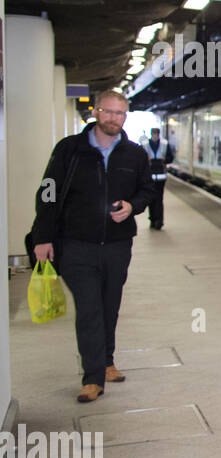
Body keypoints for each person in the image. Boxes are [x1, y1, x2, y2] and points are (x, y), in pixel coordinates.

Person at [30, 91, 156, 404]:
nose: (114, 118)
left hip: (117, 245)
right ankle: (93, 377)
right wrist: (42, 237)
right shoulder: (69, 150)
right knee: (89, 310)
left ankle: (107, 361)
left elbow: (147, 190)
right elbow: (48, 193)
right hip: (76, 245)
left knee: (109, 306)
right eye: (109, 112)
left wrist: (132, 206)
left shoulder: (135, 154)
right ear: (97, 112)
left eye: (120, 113)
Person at [142, 127, 175, 230]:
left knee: (159, 199)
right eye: (154, 134)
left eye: (157, 134)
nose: (155, 135)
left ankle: (159, 221)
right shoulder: (144, 144)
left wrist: (164, 161)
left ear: (159, 134)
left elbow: (170, 157)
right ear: (151, 134)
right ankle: (152, 219)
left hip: (161, 176)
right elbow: (140, 158)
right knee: (151, 199)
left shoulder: (164, 144)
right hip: (150, 176)